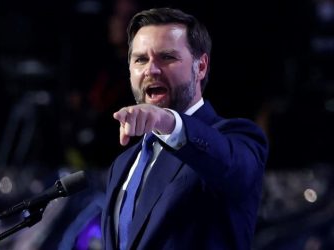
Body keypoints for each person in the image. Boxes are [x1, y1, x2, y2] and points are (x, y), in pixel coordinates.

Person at [100, 7, 268, 250]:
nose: (151, 70)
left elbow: (233, 168)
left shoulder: (237, 138)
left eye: (167, 57)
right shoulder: (124, 163)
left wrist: (167, 121)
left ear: (200, 67)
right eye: (140, 59)